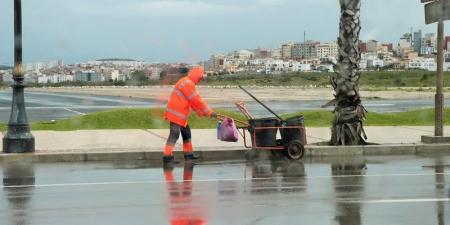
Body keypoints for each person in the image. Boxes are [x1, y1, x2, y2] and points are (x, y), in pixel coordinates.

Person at [163, 66, 217, 163]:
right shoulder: (187, 83)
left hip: (179, 113)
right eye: (200, 78)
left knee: (186, 132)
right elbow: (196, 100)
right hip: (177, 113)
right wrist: (209, 112)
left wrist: (202, 113)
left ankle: (188, 155)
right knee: (174, 134)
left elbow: (192, 102)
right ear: (197, 75)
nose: (200, 80)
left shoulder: (187, 82)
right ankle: (167, 157)